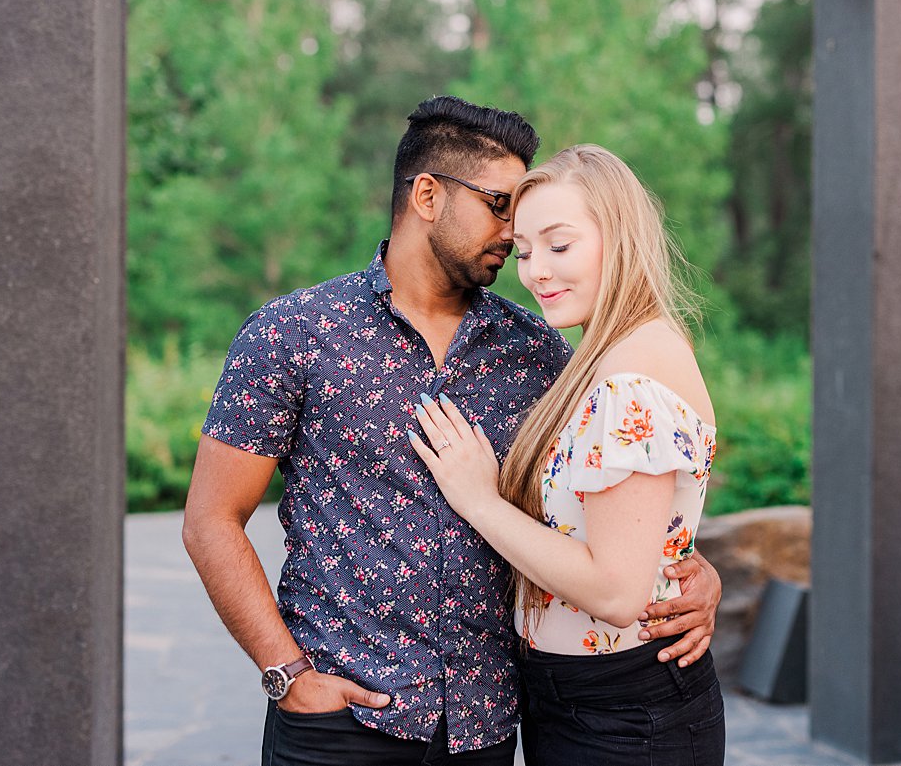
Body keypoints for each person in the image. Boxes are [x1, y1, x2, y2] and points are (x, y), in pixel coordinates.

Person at [184, 97, 723, 766]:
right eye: (500, 207)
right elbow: (210, 519)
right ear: (428, 195)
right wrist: (285, 672)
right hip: (342, 721)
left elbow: (617, 499)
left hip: (487, 724)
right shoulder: (293, 334)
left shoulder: (539, 350)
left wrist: (691, 572)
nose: (513, 233)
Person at [410, 144, 727, 765]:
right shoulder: (600, 358)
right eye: (525, 252)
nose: (536, 273)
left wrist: (479, 501)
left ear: (621, 237)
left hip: (625, 715)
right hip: (577, 701)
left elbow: (615, 593)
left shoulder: (630, 374)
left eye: (559, 245)